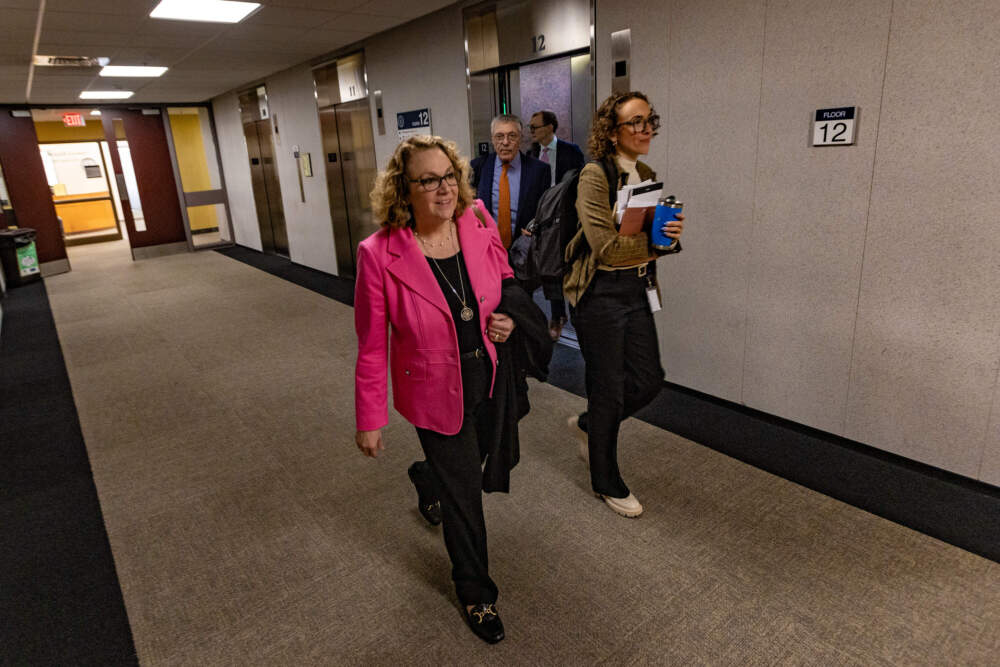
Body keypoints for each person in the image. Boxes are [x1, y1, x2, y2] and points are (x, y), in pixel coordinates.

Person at [353, 135, 521, 644]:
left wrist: (507, 316)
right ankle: (476, 592)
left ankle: (429, 479)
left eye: (449, 175)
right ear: (403, 190)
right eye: (428, 180)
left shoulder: (477, 222)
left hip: (488, 374)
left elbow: (505, 275)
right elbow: (371, 343)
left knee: (478, 461)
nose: (444, 188)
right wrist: (370, 416)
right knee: (466, 496)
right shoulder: (378, 254)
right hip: (430, 390)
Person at [563, 91, 685, 518]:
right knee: (608, 389)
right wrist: (654, 241)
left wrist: (669, 235)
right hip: (599, 295)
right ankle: (605, 478)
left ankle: (590, 424)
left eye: (649, 119)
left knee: (650, 380)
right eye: (634, 122)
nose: (645, 128)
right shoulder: (594, 176)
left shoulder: (645, 172)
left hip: (635, 290)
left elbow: (650, 243)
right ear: (611, 132)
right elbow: (607, 249)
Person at [527, 110, 585, 340]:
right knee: (548, 267)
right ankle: (557, 315)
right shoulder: (530, 154)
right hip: (543, 219)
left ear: (550, 127)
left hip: (566, 218)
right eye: (530, 127)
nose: (530, 131)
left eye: (535, 127)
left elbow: (580, 184)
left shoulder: (571, 152)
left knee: (567, 265)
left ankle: (575, 314)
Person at [470, 114, 550, 250]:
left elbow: (546, 213)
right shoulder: (477, 167)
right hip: (487, 249)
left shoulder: (539, 171)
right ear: (492, 139)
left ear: (520, 138)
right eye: (499, 136)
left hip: (524, 252)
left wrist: (536, 231)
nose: (505, 142)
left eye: (512, 136)